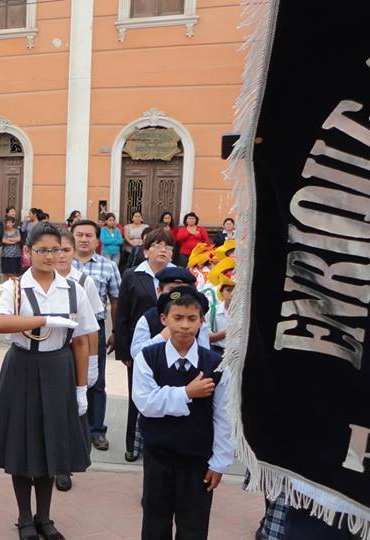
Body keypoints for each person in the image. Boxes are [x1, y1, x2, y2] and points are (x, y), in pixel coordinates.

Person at [0, 222, 98, 540]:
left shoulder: (73, 288)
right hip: (22, 366)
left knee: (51, 445)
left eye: (56, 249)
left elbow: (82, 340)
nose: (50, 256)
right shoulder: (14, 288)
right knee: (22, 445)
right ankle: (23, 517)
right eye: (42, 250)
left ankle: (44, 516)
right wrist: (44, 319)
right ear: (27, 252)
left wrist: (81, 387)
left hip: (58, 367)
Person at [133, 289, 232, 540]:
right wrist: (187, 392)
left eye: (192, 318)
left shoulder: (216, 364)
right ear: (164, 319)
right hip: (159, 456)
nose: (185, 325)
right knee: (155, 523)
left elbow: (224, 416)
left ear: (201, 321)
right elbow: (145, 402)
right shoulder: (148, 356)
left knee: (194, 526)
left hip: (198, 459)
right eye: (178, 318)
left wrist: (220, 461)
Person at [50, 228, 106, 492]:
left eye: (66, 250)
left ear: (74, 252)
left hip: (77, 355)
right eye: (56, 249)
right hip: (50, 355)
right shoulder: (42, 281)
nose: (61, 255)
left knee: (71, 412)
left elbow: (91, 329)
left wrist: (92, 362)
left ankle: (65, 466)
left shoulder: (84, 282)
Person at [114, 227, 175, 462]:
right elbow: (122, 315)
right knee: (136, 396)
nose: (163, 250)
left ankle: (158, 445)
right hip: (139, 348)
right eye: (158, 245)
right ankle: (132, 444)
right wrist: (123, 351)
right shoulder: (132, 275)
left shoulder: (178, 276)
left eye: (168, 246)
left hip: (171, 346)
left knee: (166, 394)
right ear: (146, 250)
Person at [70, 219, 121, 452]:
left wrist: (115, 331)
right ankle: (70, 426)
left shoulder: (107, 266)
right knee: (68, 377)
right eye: (79, 234)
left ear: (97, 240)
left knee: (96, 380)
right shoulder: (62, 263)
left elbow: (115, 301)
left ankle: (96, 430)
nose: (83, 239)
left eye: (88, 235)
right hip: (66, 328)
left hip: (94, 329)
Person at [130, 272, 212, 360]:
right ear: (159, 291)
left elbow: (205, 353)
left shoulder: (197, 319)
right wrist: (161, 337)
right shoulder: (148, 318)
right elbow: (136, 352)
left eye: (184, 291)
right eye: (172, 290)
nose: (179, 295)